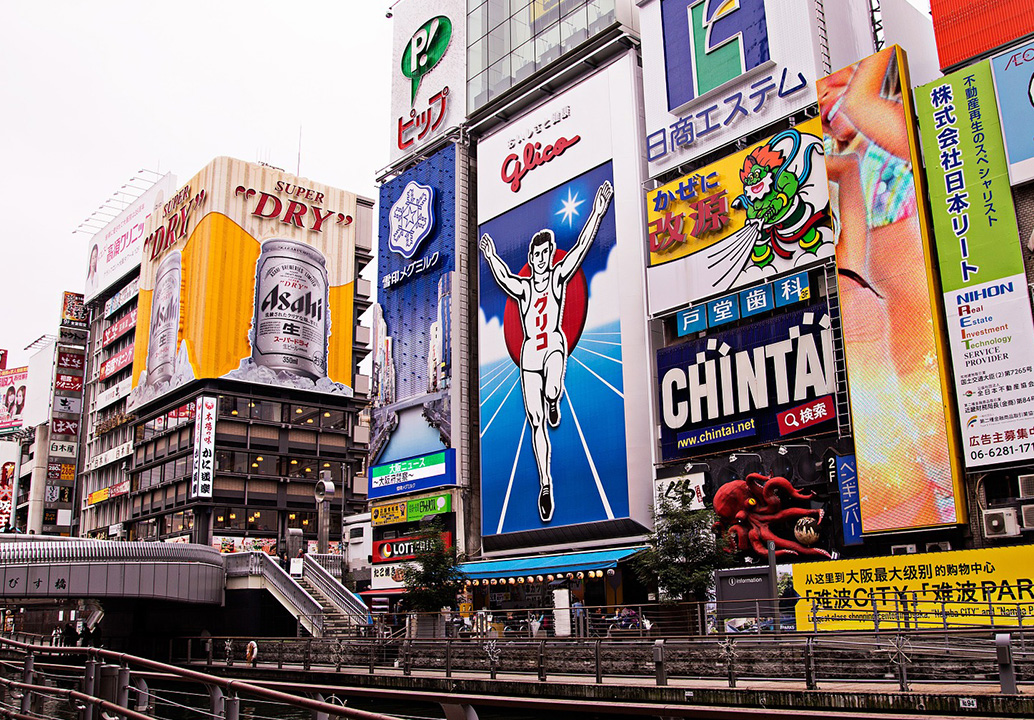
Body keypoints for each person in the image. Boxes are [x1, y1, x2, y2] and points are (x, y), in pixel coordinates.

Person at [479, 180, 614, 522]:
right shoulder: (524, 288)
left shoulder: (557, 279)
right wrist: (491, 256)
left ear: (550, 255)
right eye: (535, 255)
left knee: (553, 386)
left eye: (545, 254)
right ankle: (545, 483)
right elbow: (503, 277)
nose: (540, 260)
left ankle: (555, 398)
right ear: (531, 257)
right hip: (529, 355)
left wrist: (598, 211)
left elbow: (582, 248)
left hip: (553, 344)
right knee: (535, 421)